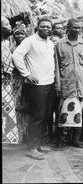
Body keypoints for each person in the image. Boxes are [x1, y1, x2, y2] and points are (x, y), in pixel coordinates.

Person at [12, 17, 55, 160]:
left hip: (49, 83)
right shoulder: (29, 41)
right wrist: (26, 74)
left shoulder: (50, 43)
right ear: (38, 27)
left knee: (46, 116)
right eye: (43, 26)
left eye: (48, 27)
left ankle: (38, 145)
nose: (46, 29)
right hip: (36, 85)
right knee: (37, 116)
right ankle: (31, 148)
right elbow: (16, 55)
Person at [54, 18, 83, 150]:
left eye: (79, 28)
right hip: (66, 84)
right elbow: (57, 67)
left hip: (80, 85)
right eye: (74, 27)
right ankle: (59, 141)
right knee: (62, 113)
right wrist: (58, 85)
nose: (77, 30)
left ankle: (74, 140)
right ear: (68, 28)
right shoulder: (59, 44)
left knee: (79, 112)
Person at [10, 23, 30, 144]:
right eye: (17, 33)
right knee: (17, 107)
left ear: (25, 35)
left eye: (22, 33)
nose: (19, 35)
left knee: (28, 107)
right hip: (16, 79)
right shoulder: (11, 48)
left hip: (28, 78)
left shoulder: (29, 47)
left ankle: (27, 133)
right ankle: (18, 134)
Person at [2, 17, 19, 145]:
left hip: (6, 84)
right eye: (6, 24)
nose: (10, 26)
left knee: (6, 112)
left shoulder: (6, 43)